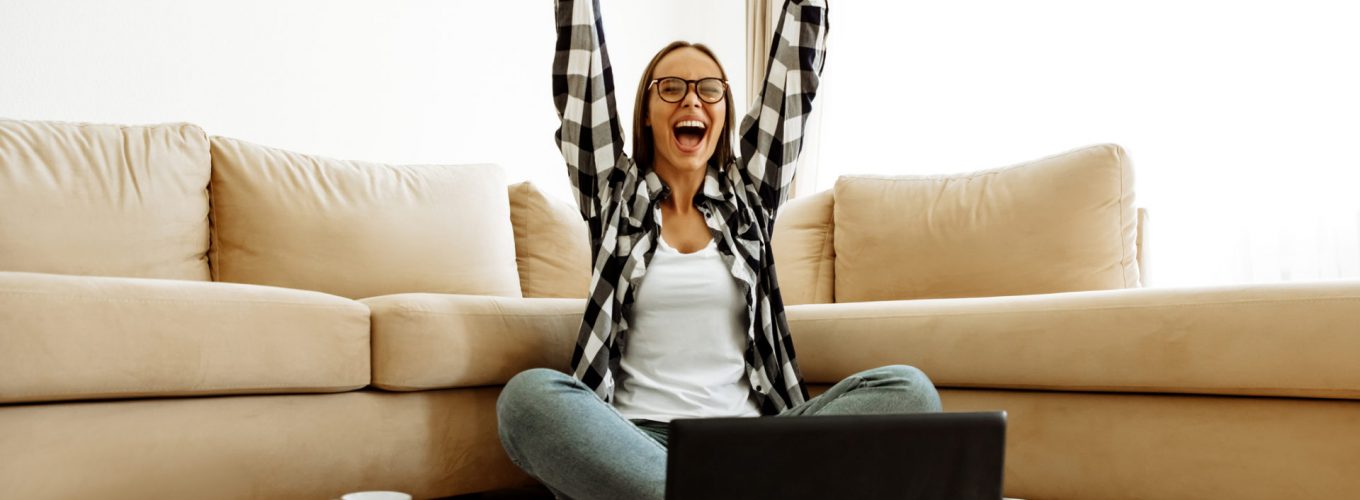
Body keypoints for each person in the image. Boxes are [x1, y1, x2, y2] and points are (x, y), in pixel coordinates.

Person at [497, 1, 941, 498]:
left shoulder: (749, 193)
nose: (692, 101)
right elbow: (583, 81)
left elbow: (792, 78)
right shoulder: (612, 192)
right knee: (526, 399)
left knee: (910, 392)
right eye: (671, 88)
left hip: (753, 442)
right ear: (646, 113)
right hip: (637, 441)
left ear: (725, 112)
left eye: (709, 89)